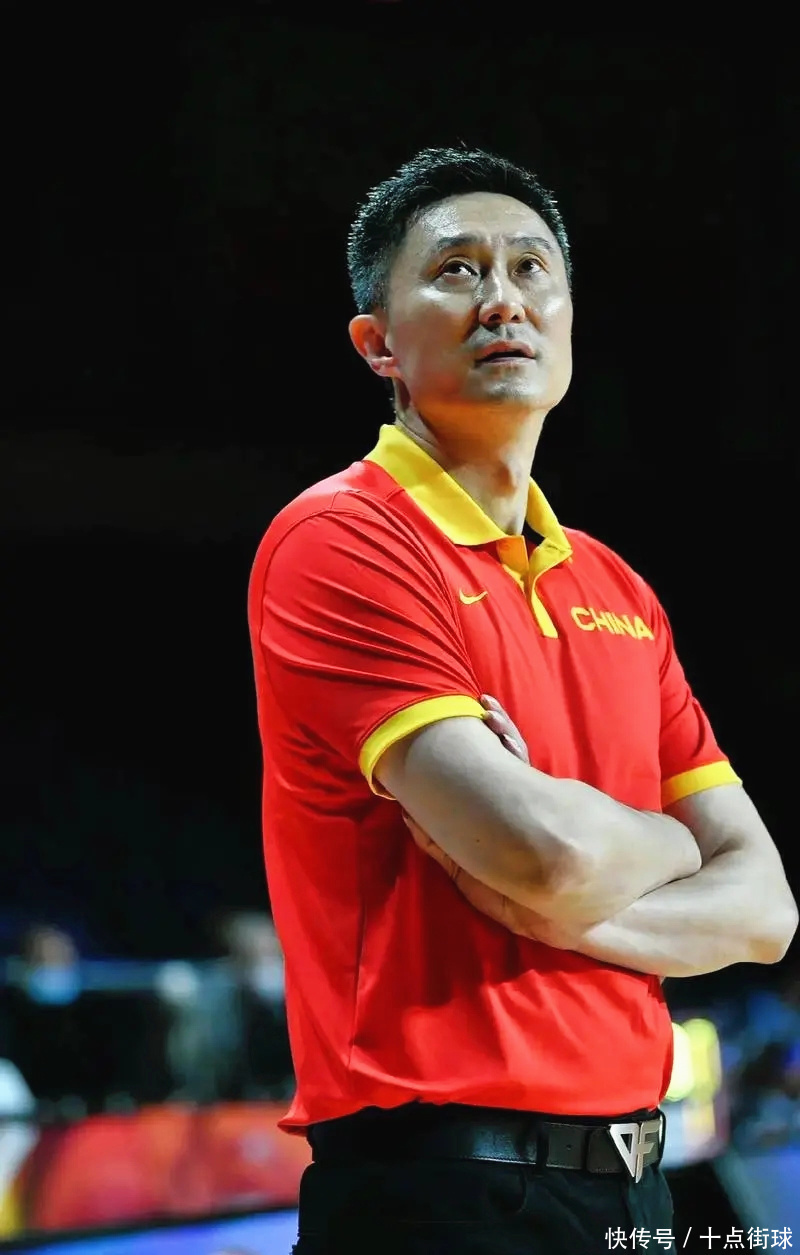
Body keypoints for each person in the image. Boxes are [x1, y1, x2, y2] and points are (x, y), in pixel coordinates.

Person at [247, 146, 798, 1254]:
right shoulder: (341, 539)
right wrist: (664, 844)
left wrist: (570, 903)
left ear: (568, 317)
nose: (502, 298)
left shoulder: (617, 587)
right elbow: (540, 851)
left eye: (531, 268)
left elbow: (765, 910)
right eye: (456, 270)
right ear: (377, 343)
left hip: (638, 1192)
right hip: (439, 1194)